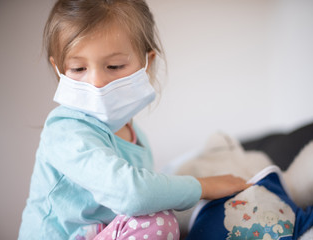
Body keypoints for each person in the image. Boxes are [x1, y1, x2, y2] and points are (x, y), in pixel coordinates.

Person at [18, 0, 250, 239]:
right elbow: (132, 194)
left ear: (147, 63)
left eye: (114, 65)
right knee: (157, 219)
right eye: (78, 69)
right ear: (58, 68)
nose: (96, 81)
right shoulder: (64, 130)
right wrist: (203, 186)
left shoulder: (135, 136)